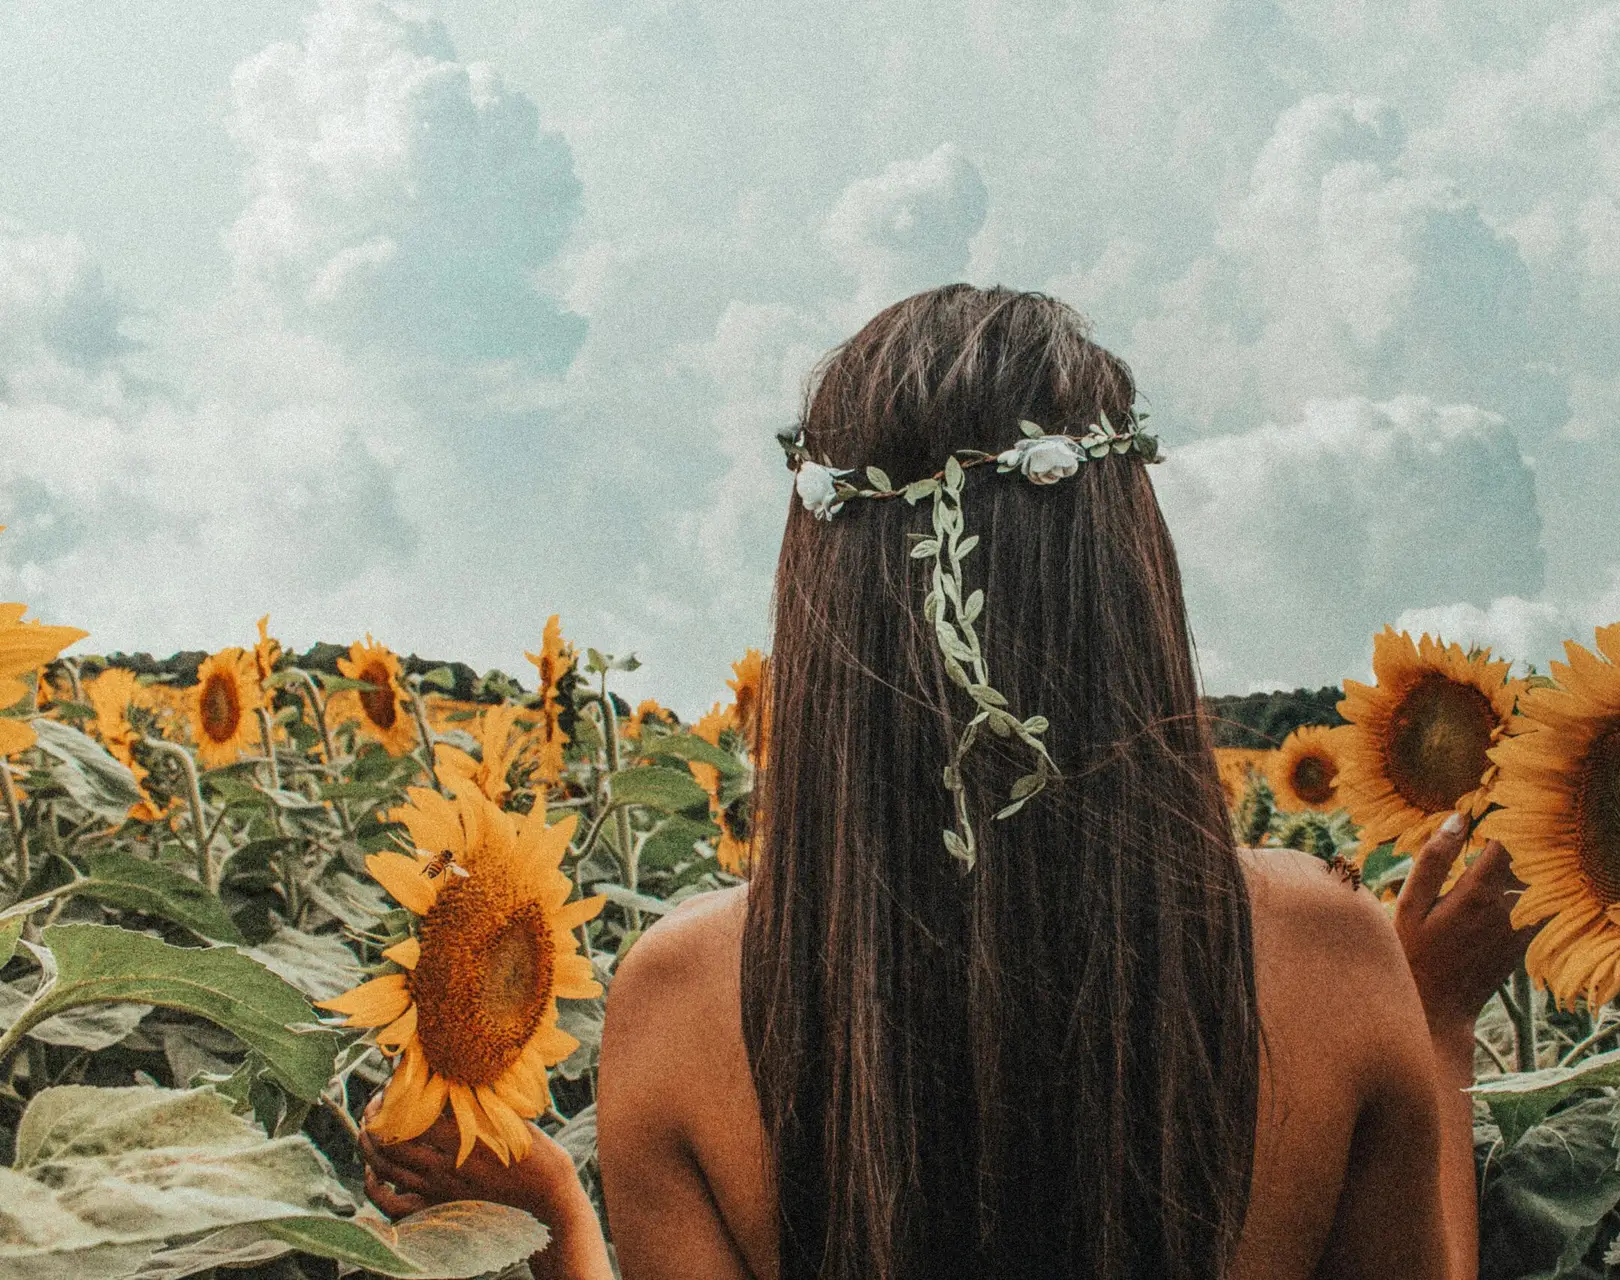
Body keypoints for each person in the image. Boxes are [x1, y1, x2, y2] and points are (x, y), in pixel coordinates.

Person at [358, 285, 1531, 1279]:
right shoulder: (1325, 955)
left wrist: (564, 1216)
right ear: (1129, 591)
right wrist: (1434, 1023)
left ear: (817, 615)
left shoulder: (682, 1002)